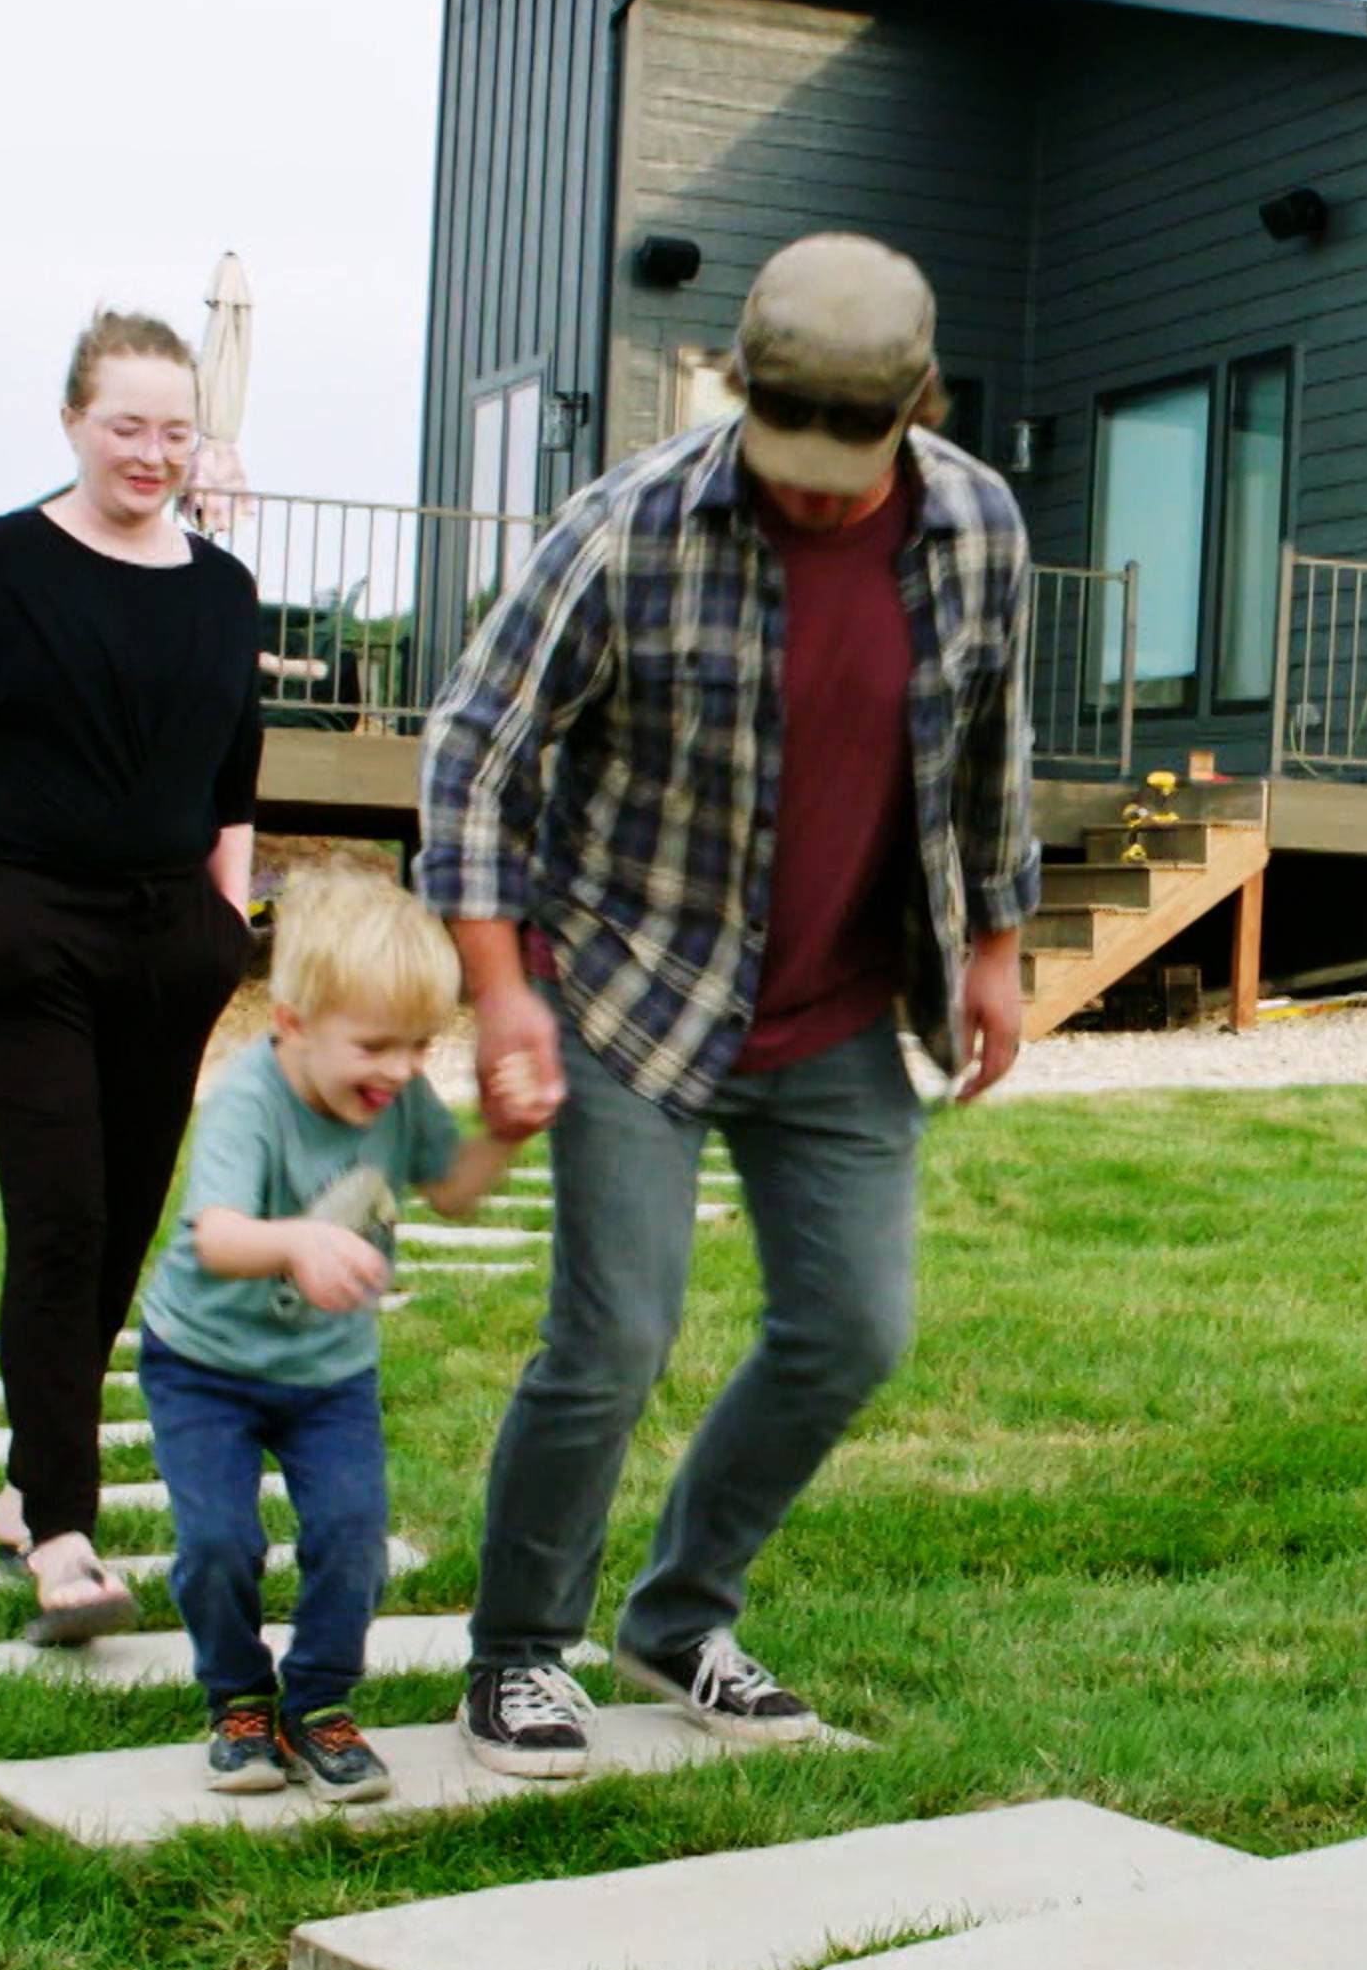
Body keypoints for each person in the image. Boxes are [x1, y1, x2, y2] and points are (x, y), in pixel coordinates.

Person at [418, 232, 1036, 1775]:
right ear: (737, 384)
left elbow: (988, 748)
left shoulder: (974, 524)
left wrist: (996, 948)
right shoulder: (625, 529)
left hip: (834, 1005)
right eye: (789, 447)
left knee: (851, 1331)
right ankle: (517, 1653)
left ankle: (679, 1616)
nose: (818, 490)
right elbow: (472, 758)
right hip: (630, 988)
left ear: (921, 405)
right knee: (615, 1335)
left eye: (853, 455)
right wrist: (502, 1001)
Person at [0, 308, 265, 1641]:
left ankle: (28, 1483)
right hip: (22, 937)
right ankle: (67, 1538)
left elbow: (231, 781)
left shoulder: (221, 586)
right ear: (73, 423)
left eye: (173, 429)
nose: (151, 453)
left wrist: (226, 928)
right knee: (63, 1221)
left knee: (122, 1227)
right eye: (125, 427)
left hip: (168, 943)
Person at [132, 872, 535, 1800]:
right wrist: (300, 1241)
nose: (398, 1070)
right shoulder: (249, 1101)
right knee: (221, 1542)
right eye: (374, 1045)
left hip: (329, 1373)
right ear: (292, 1024)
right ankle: (238, 1699)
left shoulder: (397, 1100)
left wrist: (506, 1135)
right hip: (204, 1365)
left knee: (354, 1538)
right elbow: (219, 1236)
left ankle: (318, 1703)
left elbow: (457, 1193)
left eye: (419, 1046)